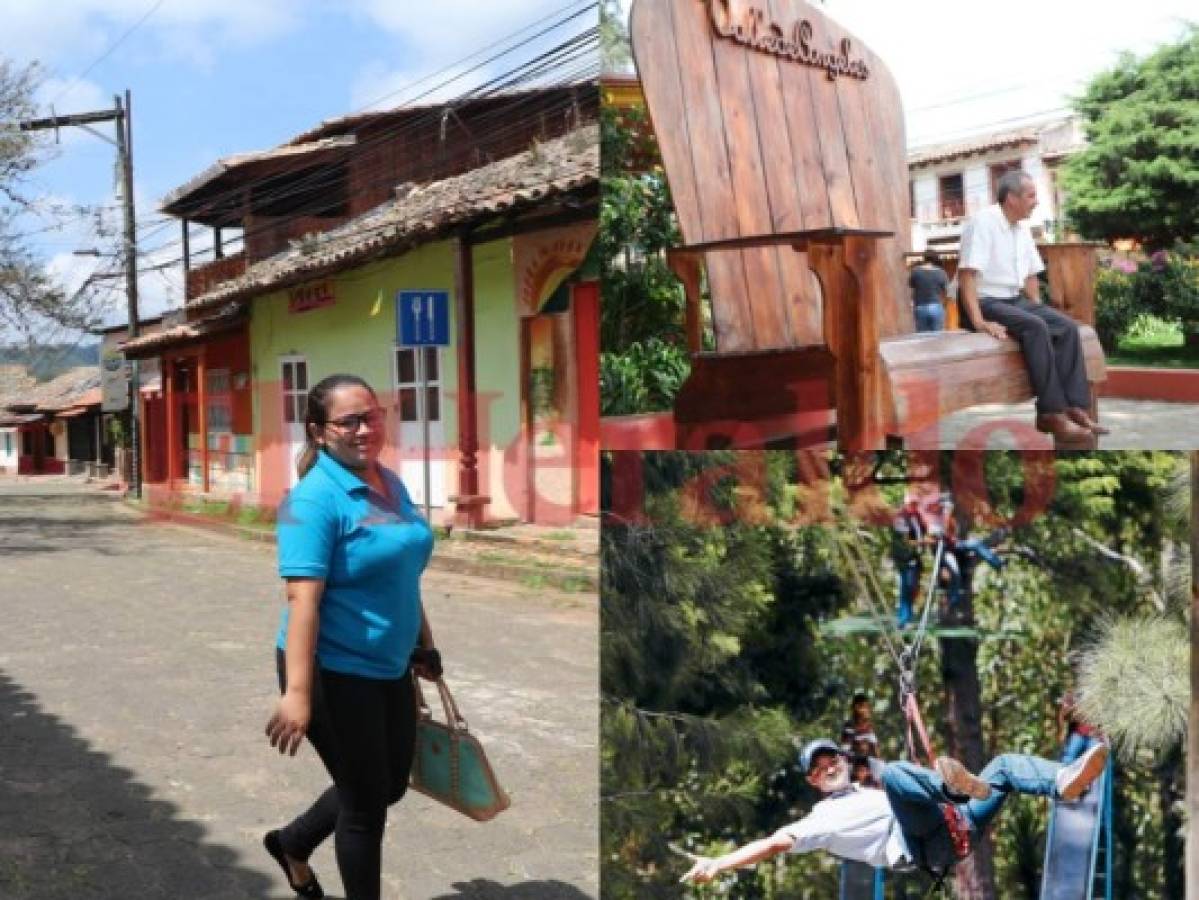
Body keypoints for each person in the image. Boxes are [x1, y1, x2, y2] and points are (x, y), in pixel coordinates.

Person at [263, 373, 440, 900]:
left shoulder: (390, 481)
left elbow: (402, 573)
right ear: (318, 432)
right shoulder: (312, 502)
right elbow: (302, 602)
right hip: (332, 671)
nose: (366, 428)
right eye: (350, 421)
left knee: (388, 785)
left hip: (389, 663)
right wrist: (297, 695)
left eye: (373, 415)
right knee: (364, 808)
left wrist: (422, 645)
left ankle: (291, 843)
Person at [681, 738, 1109, 883]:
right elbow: (775, 843)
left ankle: (1061, 782)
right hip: (921, 845)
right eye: (818, 768)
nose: (828, 767)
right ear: (812, 781)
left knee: (1005, 765)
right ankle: (957, 792)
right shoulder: (819, 820)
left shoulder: (867, 790)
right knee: (900, 774)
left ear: (845, 761)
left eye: (831, 759)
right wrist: (720, 863)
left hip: (958, 826)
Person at [958, 170, 1107, 441]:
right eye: (1031, 195)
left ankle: (1075, 407)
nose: (1036, 201)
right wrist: (979, 322)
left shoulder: (1021, 229)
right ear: (1011, 198)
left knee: (1066, 327)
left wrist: (1039, 308)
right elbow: (966, 276)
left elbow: (1030, 276)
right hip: (982, 300)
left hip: (1013, 300)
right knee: (1036, 327)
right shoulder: (983, 222)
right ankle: (1050, 414)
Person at [891, 493, 929, 627]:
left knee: (913, 586)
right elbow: (906, 541)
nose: (915, 507)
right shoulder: (901, 518)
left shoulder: (916, 517)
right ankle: (904, 619)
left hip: (915, 557)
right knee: (906, 586)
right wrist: (923, 542)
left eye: (916, 504)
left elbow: (923, 529)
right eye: (913, 504)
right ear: (907, 504)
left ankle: (908, 616)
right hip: (904, 557)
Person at [909, 248, 950, 332]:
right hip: (936, 306)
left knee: (922, 339)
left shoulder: (915, 271)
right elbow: (946, 292)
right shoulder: (941, 272)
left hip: (920, 307)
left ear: (924, 258)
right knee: (937, 338)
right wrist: (944, 306)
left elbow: (912, 287)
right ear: (936, 259)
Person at [1058, 691, 1102, 764]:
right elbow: (1064, 718)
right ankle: (1065, 767)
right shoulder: (1075, 708)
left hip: (1092, 736)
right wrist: (1070, 708)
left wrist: (1096, 733)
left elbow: (1100, 725)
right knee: (1071, 752)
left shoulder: (1096, 709)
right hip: (1079, 734)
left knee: (1094, 751)